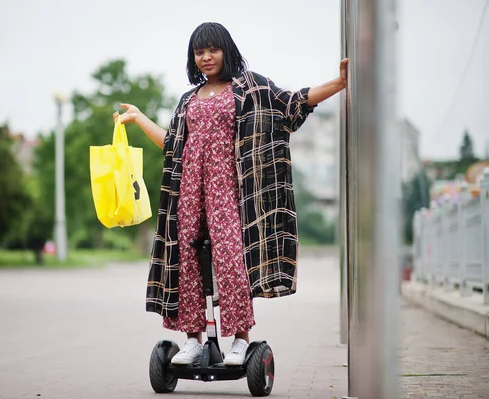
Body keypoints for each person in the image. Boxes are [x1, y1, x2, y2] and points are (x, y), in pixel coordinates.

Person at [114, 22, 348, 366]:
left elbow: (292, 103)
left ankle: (240, 340)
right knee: (188, 261)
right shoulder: (188, 100)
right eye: (199, 52)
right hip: (189, 190)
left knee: (229, 260)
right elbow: (172, 145)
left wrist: (339, 83)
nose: (206, 57)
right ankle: (192, 338)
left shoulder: (249, 88)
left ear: (226, 51)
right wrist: (139, 118)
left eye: (212, 49)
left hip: (230, 189)